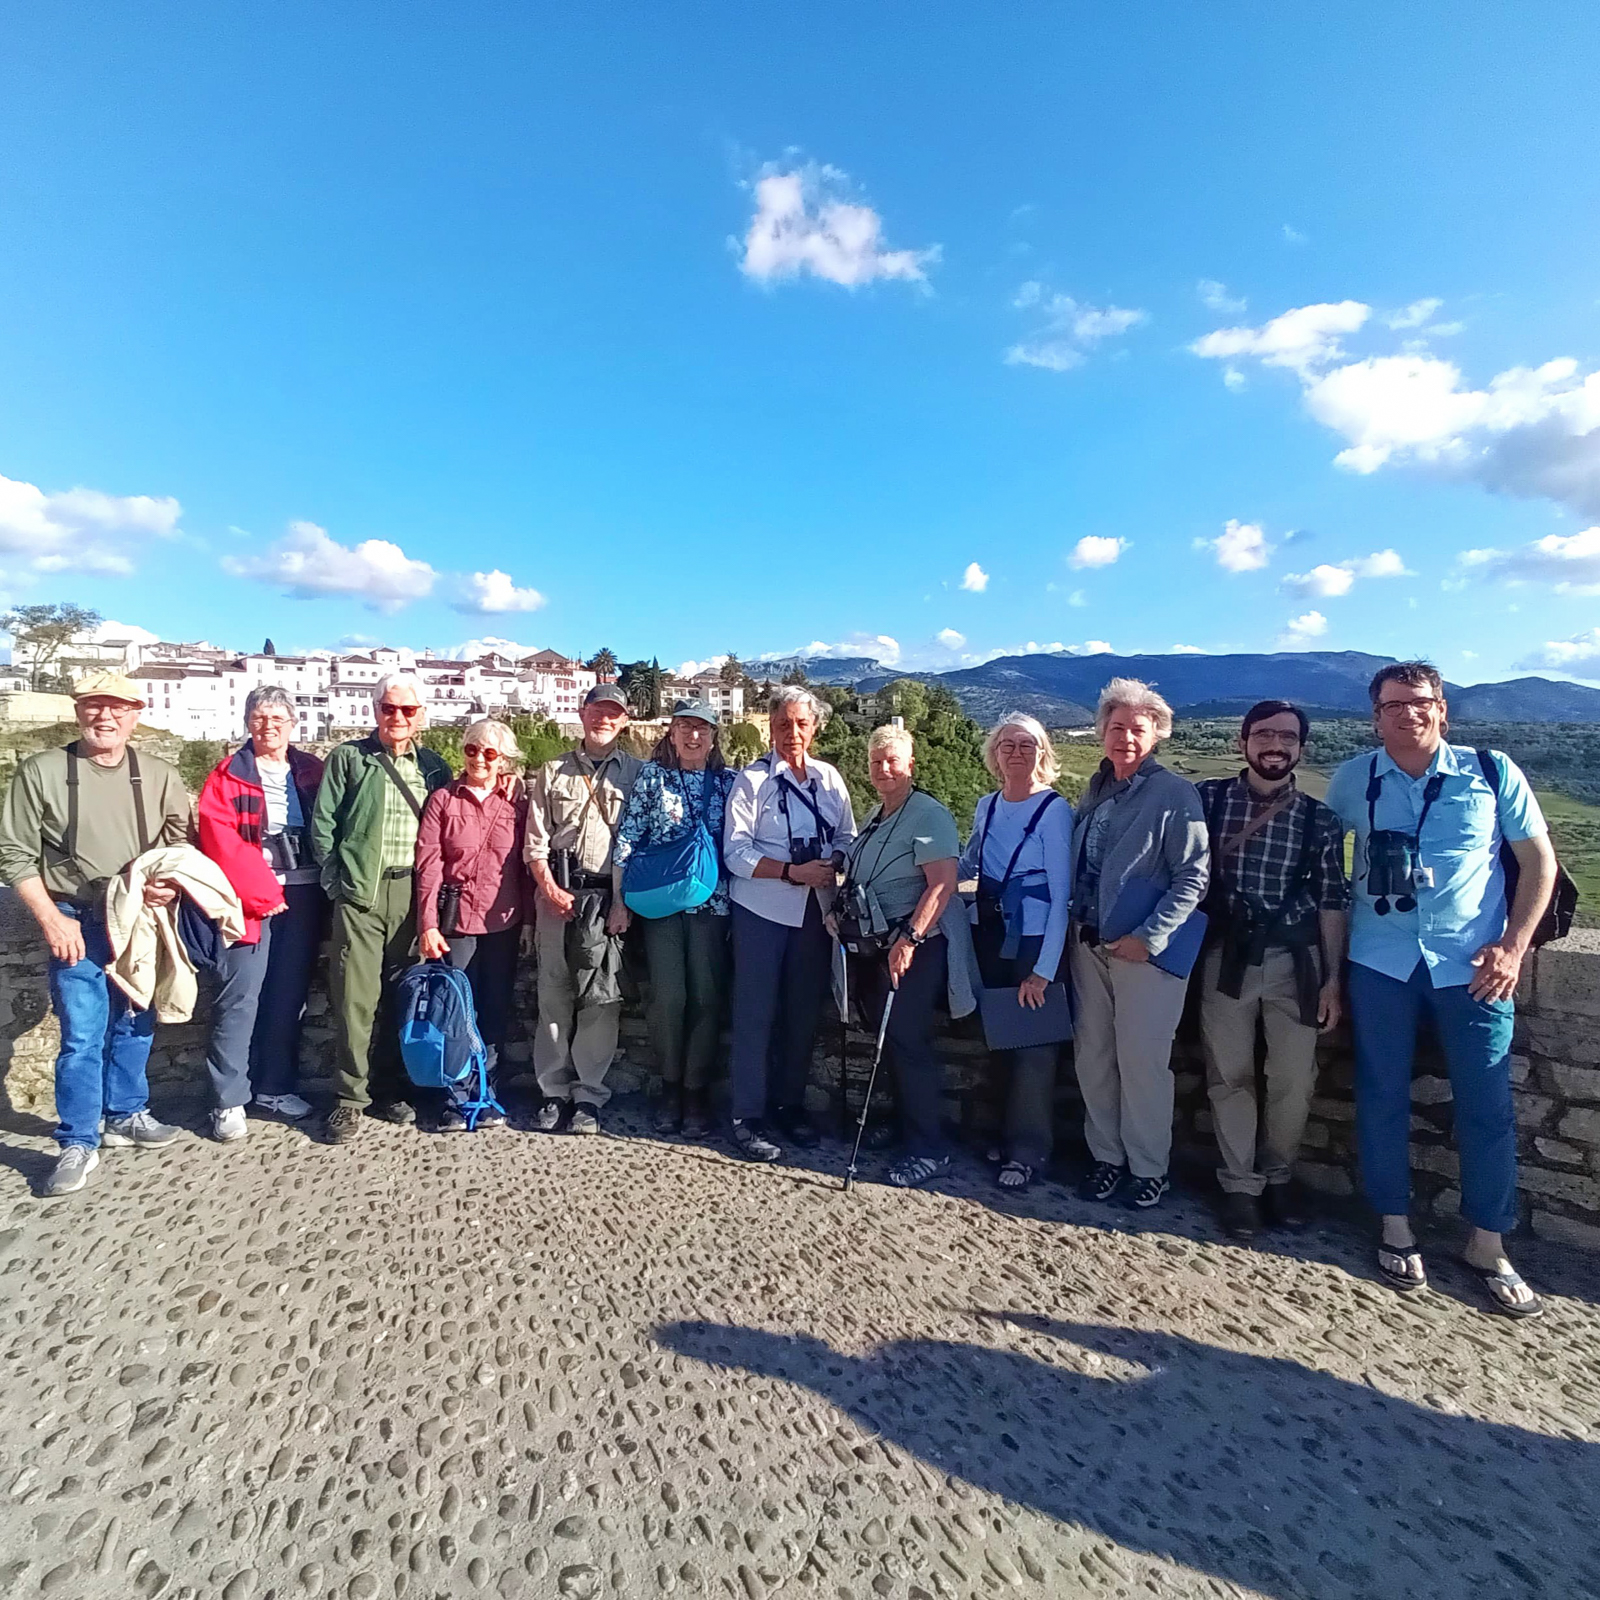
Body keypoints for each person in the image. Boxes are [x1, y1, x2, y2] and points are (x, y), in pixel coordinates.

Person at [1324, 661, 1556, 1318]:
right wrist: (1329, 970)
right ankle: (1394, 1225)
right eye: (1392, 705)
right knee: (1381, 1097)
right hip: (1380, 962)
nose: (1408, 713)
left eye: (1419, 701)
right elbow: (1324, 870)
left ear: (1442, 708)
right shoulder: (1353, 779)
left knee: (1487, 1108)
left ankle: (1488, 1242)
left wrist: (1514, 946)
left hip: (1475, 966)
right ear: (1376, 718)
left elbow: (1538, 861)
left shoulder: (1491, 772)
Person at [0, 672, 190, 1196]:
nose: (105, 717)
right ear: (78, 710)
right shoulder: (43, 772)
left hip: (137, 918)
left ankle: (126, 1113)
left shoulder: (159, 774)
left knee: (136, 1019)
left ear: (135, 714)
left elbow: (180, 846)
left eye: (116, 707)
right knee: (82, 1034)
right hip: (75, 917)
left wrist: (167, 886)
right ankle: (78, 1140)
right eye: (94, 706)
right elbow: (14, 853)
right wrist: (50, 918)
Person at [1194, 701, 1347, 1239]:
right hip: (1226, 955)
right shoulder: (1207, 800)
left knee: (1294, 1079)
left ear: (1301, 747)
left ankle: (1278, 1175)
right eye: (1264, 735)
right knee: (1228, 1074)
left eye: (1287, 737)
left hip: (1293, 960)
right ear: (1243, 742)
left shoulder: (1320, 820)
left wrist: (1333, 979)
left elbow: (1332, 900)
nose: (1275, 745)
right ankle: (1240, 1184)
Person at [1070, 679, 1209, 1210]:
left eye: (1136, 729)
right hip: (1089, 943)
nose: (1125, 737)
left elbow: (1193, 876)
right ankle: (1106, 1158)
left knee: (1143, 1063)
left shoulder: (1174, 793)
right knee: (1094, 1057)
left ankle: (1149, 1168)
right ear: (1102, 731)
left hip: (1142, 952)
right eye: (1116, 727)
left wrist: (1149, 938)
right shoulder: (1097, 787)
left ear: (1156, 735)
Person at [310, 671, 451, 1143]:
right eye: (389, 708)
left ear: (421, 715)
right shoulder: (350, 758)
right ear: (376, 711)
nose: (398, 717)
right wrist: (337, 884)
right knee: (355, 1000)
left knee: (401, 997)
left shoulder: (434, 767)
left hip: (413, 895)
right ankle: (349, 1098)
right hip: (361, 894)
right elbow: (323, 825)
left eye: (408, 709)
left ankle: (390, 1088)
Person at [723, 685, 857, 1162]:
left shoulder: (829, 778)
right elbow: (735, 852)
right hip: (761, 910)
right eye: (783, 724)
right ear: (771, 729)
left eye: (801, 724)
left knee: (803, 1015)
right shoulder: (751, 781)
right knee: (755, 1014)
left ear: (814, 728)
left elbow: (848, 836)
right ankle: (746, 1115)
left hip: (815, 912)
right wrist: (790, 871)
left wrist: (833, 861)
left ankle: (789, 1105)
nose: (792, 733)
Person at [194, 685, 327, 1142]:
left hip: (305, 893)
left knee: (288, 996)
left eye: (277, 718)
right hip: (246, 900)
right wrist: (261, 892)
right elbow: (220, 840)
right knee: (240, 995)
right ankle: (228, 1099)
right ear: (248, 722)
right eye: (260, 717)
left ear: (293, 724)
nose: (268, 726)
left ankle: (274, 1087)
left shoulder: (311, 769)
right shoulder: (228, 774)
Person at [836, 725, 959, 1187]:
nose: (883, 769)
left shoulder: (929, 814)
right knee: (890, 1041)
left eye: (892, 761)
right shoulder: (877, 814)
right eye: (876, 762)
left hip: (912, 950)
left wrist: (909, 939)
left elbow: (943, 884)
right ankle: (905, 1125)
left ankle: (930, 1149)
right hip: (876, 948)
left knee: (908, 1041)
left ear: (910, 765)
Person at [612, 700, 736, 1138]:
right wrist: (618, 901)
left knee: (706, 999)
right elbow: (627, 838)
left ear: (714, 736)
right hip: (661, 904)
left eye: (702, 728)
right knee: (668, 998)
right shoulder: (654, 778)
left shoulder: (730, 783)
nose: (693, 736)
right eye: (684, 727)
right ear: (672, 733)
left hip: (713, 906)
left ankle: (695, 1091)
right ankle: (669, 1088)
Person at [523, 683, 642, 1135]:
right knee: (553, 994)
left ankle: (589, 1094)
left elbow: (639, 847)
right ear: (582, 713)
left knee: (601, 1000)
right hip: (557, 893)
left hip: (608, 898)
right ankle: (552, 1090)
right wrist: (549, 889)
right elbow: (535, 842)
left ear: (624, 721)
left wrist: (622, 904)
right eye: (597, 711)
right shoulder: (552, 771)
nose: (603, 720)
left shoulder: (638, 774)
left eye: (613, 713)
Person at [962, 713, 1073, 1192]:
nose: (1016, 752)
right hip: (992, 933)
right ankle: (1000, 1135)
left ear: (1042, 753)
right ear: (994, 753)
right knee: (1001, 1040)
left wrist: (1044, 970)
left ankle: (1028, 1151)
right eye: (1007, 744)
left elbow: (1062, 895)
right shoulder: (986, 806)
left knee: (1033, 1047)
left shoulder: (1054, 810)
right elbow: (969, 862)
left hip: (1034, 939)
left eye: (1027, 745)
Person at [414, 718, 527, 1131]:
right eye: (472, 750)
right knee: (452, 1012)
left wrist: (530, 923)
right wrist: (427, 924)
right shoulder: (443, 800)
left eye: (490, 753)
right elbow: (428, 865)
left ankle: (486, 1092)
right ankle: (452, 1096)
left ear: (504, 760)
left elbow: (525, 866)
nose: (479, 759)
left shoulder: (516, 803)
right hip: (455, 922)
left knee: (494, 1011)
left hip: (502, 920)